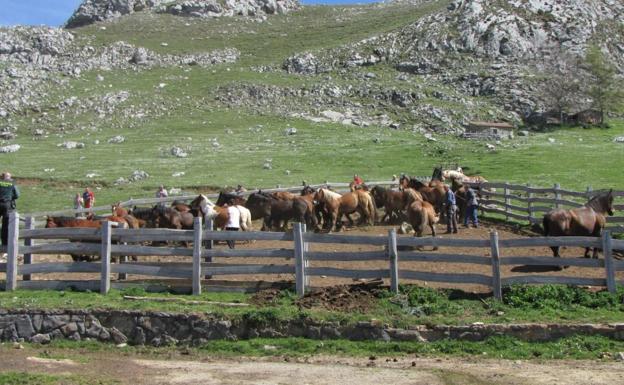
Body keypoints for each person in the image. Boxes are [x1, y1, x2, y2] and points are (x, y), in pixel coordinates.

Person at [0, 172, 19, 247]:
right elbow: (17, 195)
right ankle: (4, 243)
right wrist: (11, 197)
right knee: (5, 224)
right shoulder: (12, 183)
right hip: (7, 205)